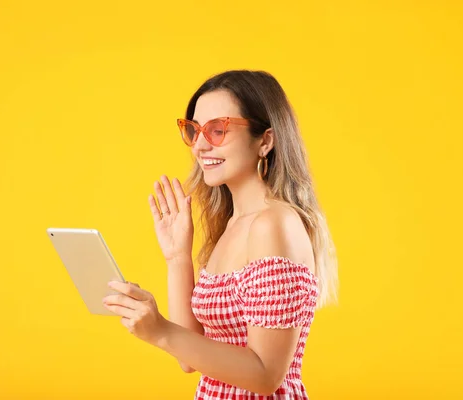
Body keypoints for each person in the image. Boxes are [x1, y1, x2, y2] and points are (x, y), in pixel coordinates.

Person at [102, 70, 338, 399]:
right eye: (194, 131)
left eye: (217, 130)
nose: (199, 145)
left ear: (265, 140)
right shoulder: (231, 225)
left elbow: (265, 375)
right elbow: (190, 359)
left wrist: (160, 331)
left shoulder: (273, 225)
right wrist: (177, 258)